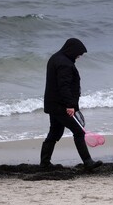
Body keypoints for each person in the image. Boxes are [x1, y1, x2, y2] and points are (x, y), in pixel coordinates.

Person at [40, 38, 103, 171]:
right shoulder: (65, 64)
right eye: (78, 53)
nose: (79, 56)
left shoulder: (55, 58)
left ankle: (45, 163)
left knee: (55, 132)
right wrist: (70, 105)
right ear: (72, 50)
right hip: (61, 105)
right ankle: (88, 162)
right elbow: (64, 86)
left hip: (53, 104)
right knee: (78, 131)